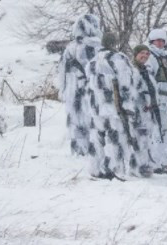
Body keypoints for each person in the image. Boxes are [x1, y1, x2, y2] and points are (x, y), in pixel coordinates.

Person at [87, 32, 150, 179]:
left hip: (96, 108)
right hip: (114, 108)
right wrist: (128, 106)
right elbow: (126, 84)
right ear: (114, 43)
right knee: (116, 140)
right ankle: (116, 170)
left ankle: (96, 169)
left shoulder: (93, 60)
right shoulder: (119, 59)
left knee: (97, 140)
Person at [58, 13, 102, 156]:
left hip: (79, 89)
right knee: (84, 119)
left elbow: (63, 72)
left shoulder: (77, 47)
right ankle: (84, 148)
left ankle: (84, 148)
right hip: (82, 88)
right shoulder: (86, 47)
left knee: (82, 119)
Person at [132, 44, 167, 174]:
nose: (145, 56)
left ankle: (148, 163)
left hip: (149, 111)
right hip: (138, 111)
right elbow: (131, 92)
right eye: (142, 53)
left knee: (147, 139)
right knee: (138, 139)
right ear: (135, 54)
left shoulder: (147, 71)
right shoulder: (132, 71)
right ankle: (138, 166)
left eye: (147, 54)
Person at [146, 28, 167, 165]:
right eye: (157, 41)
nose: (160, 43)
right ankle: (156, 160)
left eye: (162, 41)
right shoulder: (151, 57)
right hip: (157, 99)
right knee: (157, 130)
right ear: (152, 41)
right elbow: (149, 79)